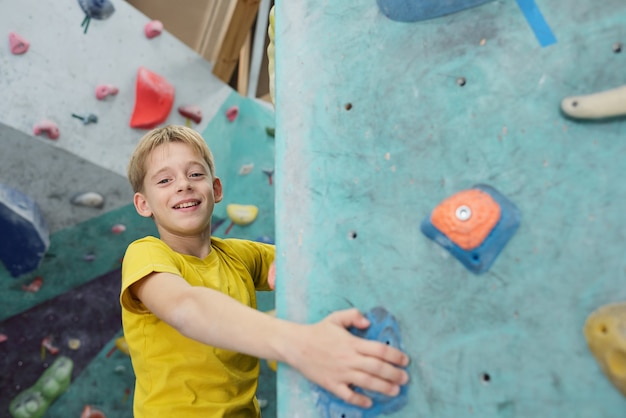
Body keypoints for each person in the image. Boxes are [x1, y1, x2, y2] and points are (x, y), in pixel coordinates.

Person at [120, 125, 410, 417]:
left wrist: (294, 263)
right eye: (165, 180)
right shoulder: (146, 254)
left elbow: (311, 261)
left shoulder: (237, 256)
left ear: (216, 188)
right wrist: (303, 345)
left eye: (195, 174)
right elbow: (186, 307)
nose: (183, 184)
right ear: (143, 204)